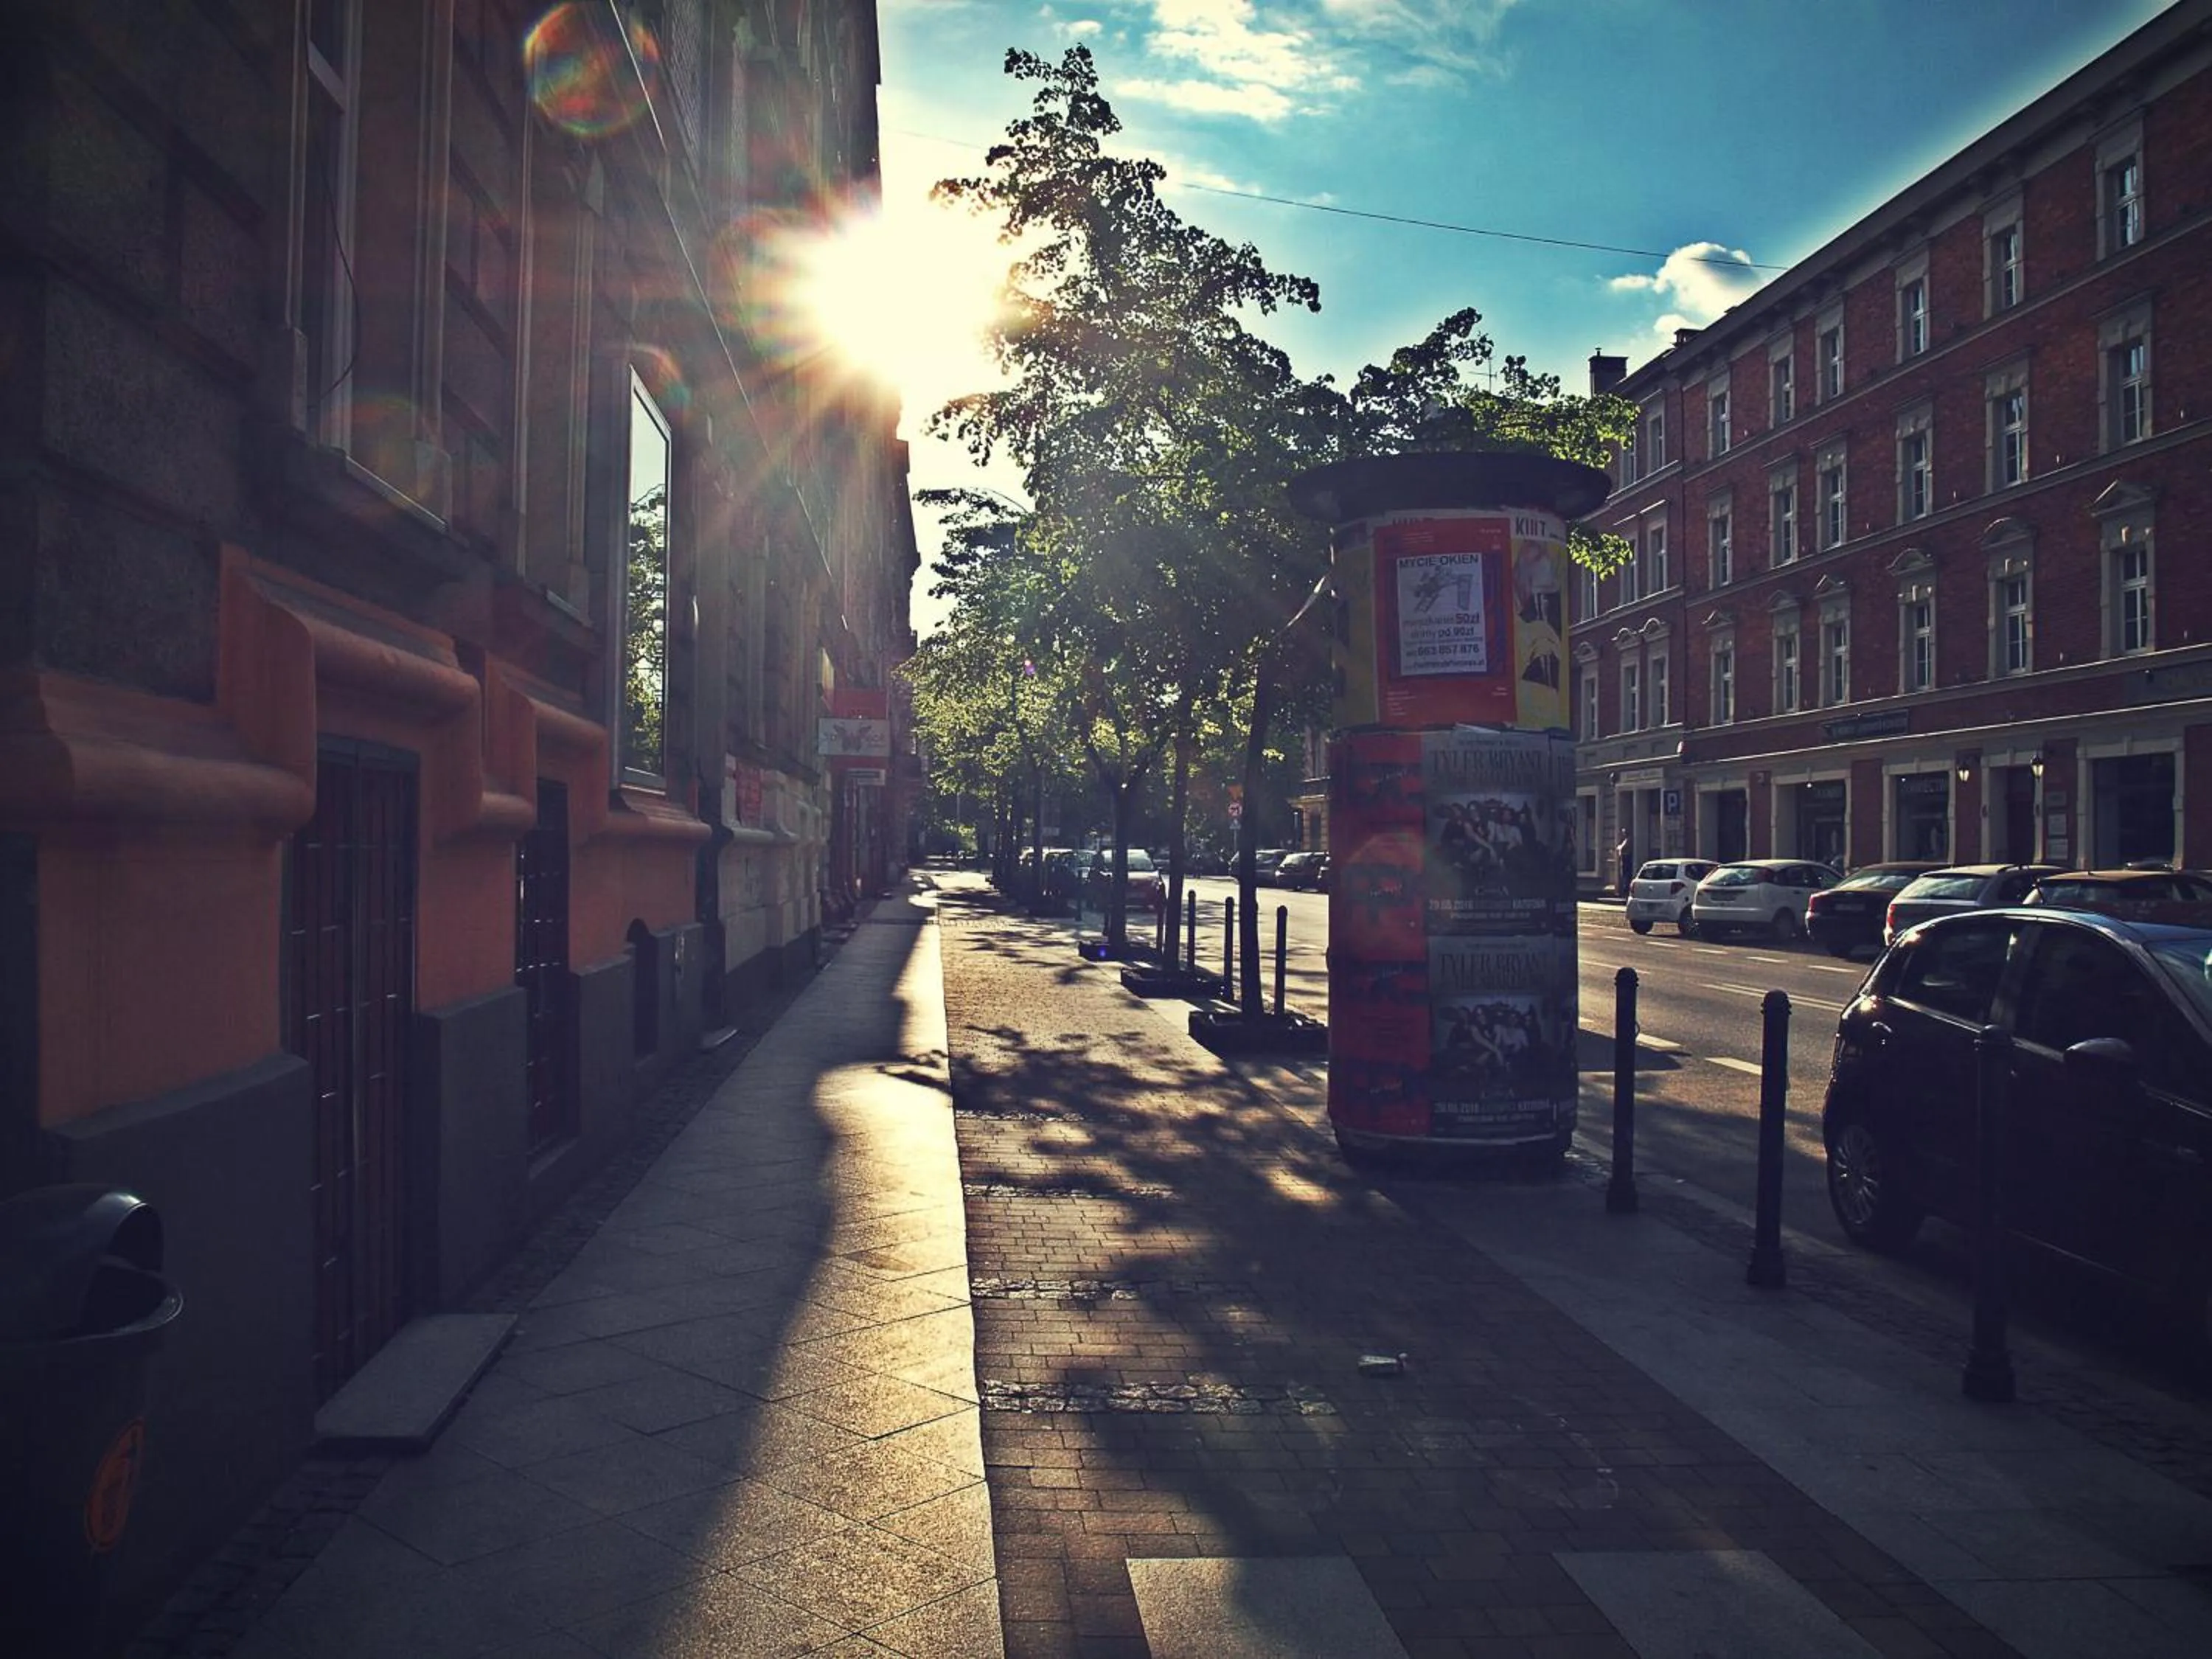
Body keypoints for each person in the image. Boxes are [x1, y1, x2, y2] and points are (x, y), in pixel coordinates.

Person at [1615, 831, 1633, 897]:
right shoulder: (1625, 840)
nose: (1623, 834)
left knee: (1626, 875)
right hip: (1624, 859)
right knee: (1624, 875)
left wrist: (1620, 848)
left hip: (1626, 859)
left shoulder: (1628, 840)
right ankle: (1624, 889)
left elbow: (1621, 848)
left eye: (1624, 833)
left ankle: (1626, 890)